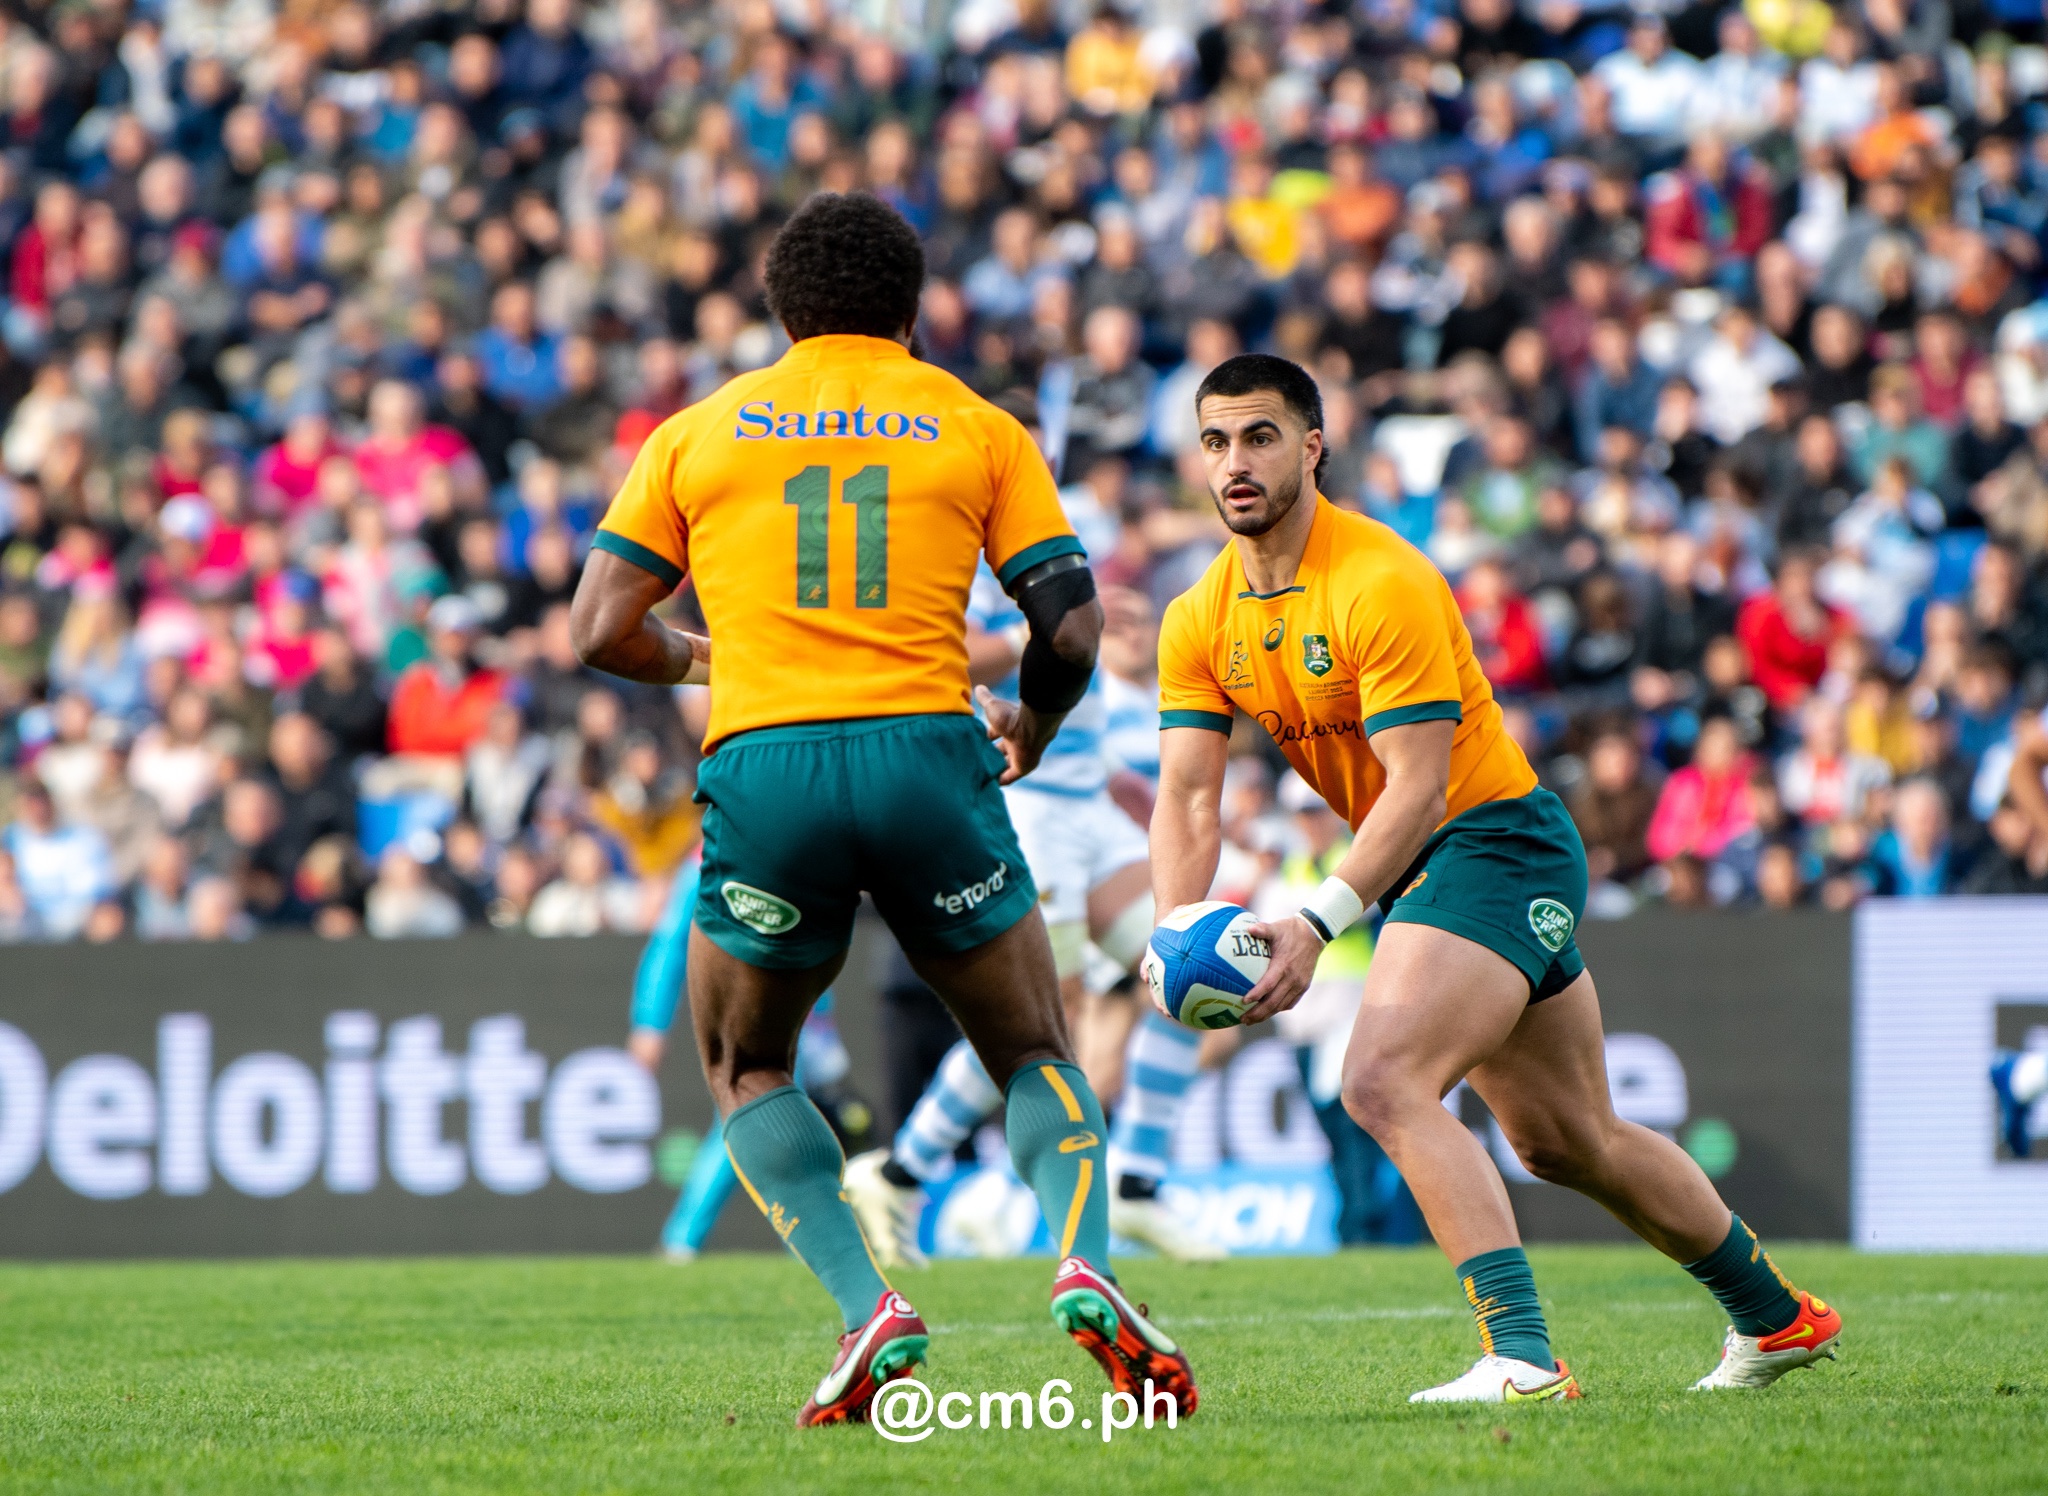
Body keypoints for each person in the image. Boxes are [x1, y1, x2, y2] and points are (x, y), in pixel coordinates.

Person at [568, 193, 1195, 1427]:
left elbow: (598, 627)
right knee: (1032, 1046)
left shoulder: (696, 433)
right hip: (925, 753)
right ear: (911, 310)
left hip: (767, 766)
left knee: (747, 1061)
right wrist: (1034, 722)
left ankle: (868, 1307)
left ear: (778, 309)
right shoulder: (976, 424)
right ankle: (1084, 1262)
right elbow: (1071, 627)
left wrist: (708, 661)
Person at [1149, 353, 1841, 1404]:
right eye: (1214, 441)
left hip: (1492, 842)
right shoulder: (1197, 615)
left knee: (1380, 1080)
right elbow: (1190, 796)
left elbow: (1420, 787)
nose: (1234, 462)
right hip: (1433, 864)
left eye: (1259, 436)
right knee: (1567, 1140)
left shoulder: (1380, 579)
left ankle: (1519, 1356)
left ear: (1312, 447)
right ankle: (1777, 1315)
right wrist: (1170, 932)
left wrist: (1316, 922)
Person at [627, 850, 873, 1260]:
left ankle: (694, 1243)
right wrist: (649, 1022)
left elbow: (812, 940)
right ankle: (685, 1242)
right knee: (751, 1124)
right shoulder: (711, 859)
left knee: (771, 1128)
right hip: (746, 1011)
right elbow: (671, 943)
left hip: (796, 1019)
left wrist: (822, 1025)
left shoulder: (784, 851)